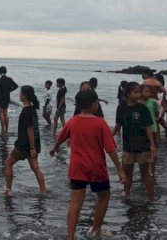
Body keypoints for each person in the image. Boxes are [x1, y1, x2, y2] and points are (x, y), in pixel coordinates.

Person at [50, 89, 125, 239]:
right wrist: (120, 170)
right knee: (103, 196)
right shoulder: (100, 123)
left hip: (77, 168)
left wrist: (55, 147)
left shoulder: (72, 121)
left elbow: (61, 137)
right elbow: (110, 149)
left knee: (75, 201)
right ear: (94, 104)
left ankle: (70, 236)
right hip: (97, 168)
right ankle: (95, 230)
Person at [113, 82, 156, 201]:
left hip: (143, 145)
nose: (138, 95)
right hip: (127, 146)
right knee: (127, 172)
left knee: (145, 173)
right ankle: (126, 194)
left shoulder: (142, 108)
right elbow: (118, 124)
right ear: (127, 93)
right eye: (135, 92)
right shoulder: (121, 107)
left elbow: (148, 127)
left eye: (139, 92)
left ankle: (151, 198)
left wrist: (152, 145)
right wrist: (110, 136)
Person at [4, 85, 47, 196]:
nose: (19, 95)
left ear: (24, 95)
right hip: (33, 144)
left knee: (8, 163)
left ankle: (8, 190)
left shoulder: (27, 110)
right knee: (36, 168)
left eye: (20, 93)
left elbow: (30, 129)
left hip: (24, 145)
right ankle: (44, 192)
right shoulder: (32, 109)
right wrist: (34, 147)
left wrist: (32, 148)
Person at [0, 66, 19, 135]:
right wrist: (9, 91)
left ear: (0, 72)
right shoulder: (9, 79)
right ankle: (7, 130)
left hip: (0, 98)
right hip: (7, 98)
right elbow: (16, 86)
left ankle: (2, 130)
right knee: (5, 114)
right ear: (6, 71)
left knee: (1, 114)